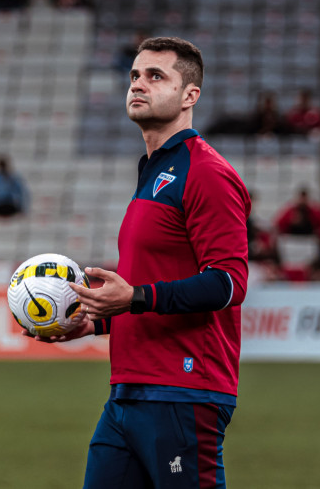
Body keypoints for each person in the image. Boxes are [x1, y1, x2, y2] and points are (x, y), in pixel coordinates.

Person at [26, 37, 251, 488]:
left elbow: (229, 283)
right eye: (134, 75)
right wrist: (98, 322)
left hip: (184, 389)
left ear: (190, 96)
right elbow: (148, 287)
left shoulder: (205, 171)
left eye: (155, 76)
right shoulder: (152, 169)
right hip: (127, 391)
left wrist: (134, 297)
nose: (138, 85)